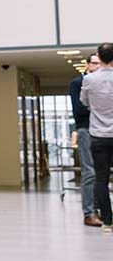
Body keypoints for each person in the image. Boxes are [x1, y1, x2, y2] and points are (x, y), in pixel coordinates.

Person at [80, 42, 113, 233]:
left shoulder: (89, 80)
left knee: (101, 179)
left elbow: (84, 102)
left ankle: (108, 221)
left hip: (98, 135)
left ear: (98, 58)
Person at [71, 52, 103, 226]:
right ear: (88, 64)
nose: (98, 67)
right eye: (95, 64)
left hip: (102, 131)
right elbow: (79, 110)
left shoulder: (104, 82)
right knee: (89, 172)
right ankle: (89, 213)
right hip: (86, 130)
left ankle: (99, 210)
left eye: (100, 64)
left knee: (101, 173)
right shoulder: (77, 83)